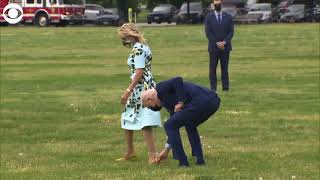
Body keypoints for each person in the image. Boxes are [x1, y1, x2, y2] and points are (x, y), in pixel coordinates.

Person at [141, 77, 220, 166]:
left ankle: (183, 162)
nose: (151, 108)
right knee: (189, 123)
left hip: (203, 100)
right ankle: (199, 159)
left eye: (148, 106)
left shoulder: (160, 88)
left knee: (169, 125)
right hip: (213, 101)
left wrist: (181, 102)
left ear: (149, 99)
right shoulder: (167, 101)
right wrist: (166, 151)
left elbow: (177, 80)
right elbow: (174, 129)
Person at [116, 23, 161, 164]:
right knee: (127, 116)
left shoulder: (138, 49)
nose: (123, 41)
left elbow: (139, 71)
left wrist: (128, 91)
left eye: (124, 38)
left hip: (141, 89)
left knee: (145, 121)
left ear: (130, 36)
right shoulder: (143, 46)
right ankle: (130, 152)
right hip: (142, 86)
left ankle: (153, 155)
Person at [205, 0, 234, 91]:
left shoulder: (228, 17)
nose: (217, 6)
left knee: (224, 69)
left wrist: (224, 42)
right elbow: (208, 32)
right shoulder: (209, 17)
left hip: (225, 47)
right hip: (214, 47)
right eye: (215, 4)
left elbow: (231, 32)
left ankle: (225, 87)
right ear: (213, 5)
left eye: (219, 4)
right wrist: (217, 43)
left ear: (221, 5)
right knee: (212, 69)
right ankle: (213, 88)